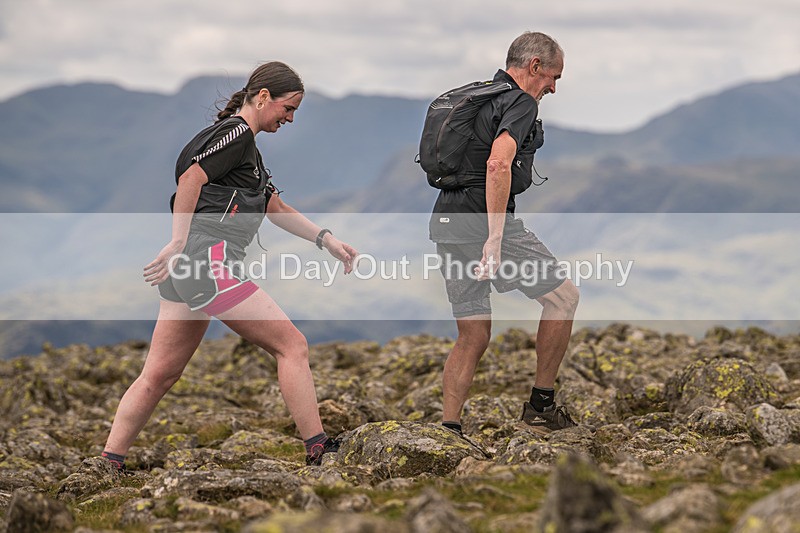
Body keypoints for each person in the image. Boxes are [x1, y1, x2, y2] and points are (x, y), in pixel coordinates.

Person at [101, 61, 357, 469]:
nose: (289, 118)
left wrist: (326, 240)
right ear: (262, 97)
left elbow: (275, 206)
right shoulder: (236, 134)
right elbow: (191, 177)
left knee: (159, 375)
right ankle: (317, 448)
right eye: (287, 109)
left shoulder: (245, 148)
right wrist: (178, 242)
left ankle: (109, 460)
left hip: (191, 266)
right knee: (292, 346)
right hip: (207, 261)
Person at [429, 32, 580, 434]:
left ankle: (449, 428)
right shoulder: (519, 101)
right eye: (553, 77)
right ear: (534, 67)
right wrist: (494, 239)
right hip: (485, 224)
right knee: (564, 297)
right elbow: (498, 166)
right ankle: (541, 407)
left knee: (473, 333)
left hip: (447, 221)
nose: (553, 87)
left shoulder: (476, 96)